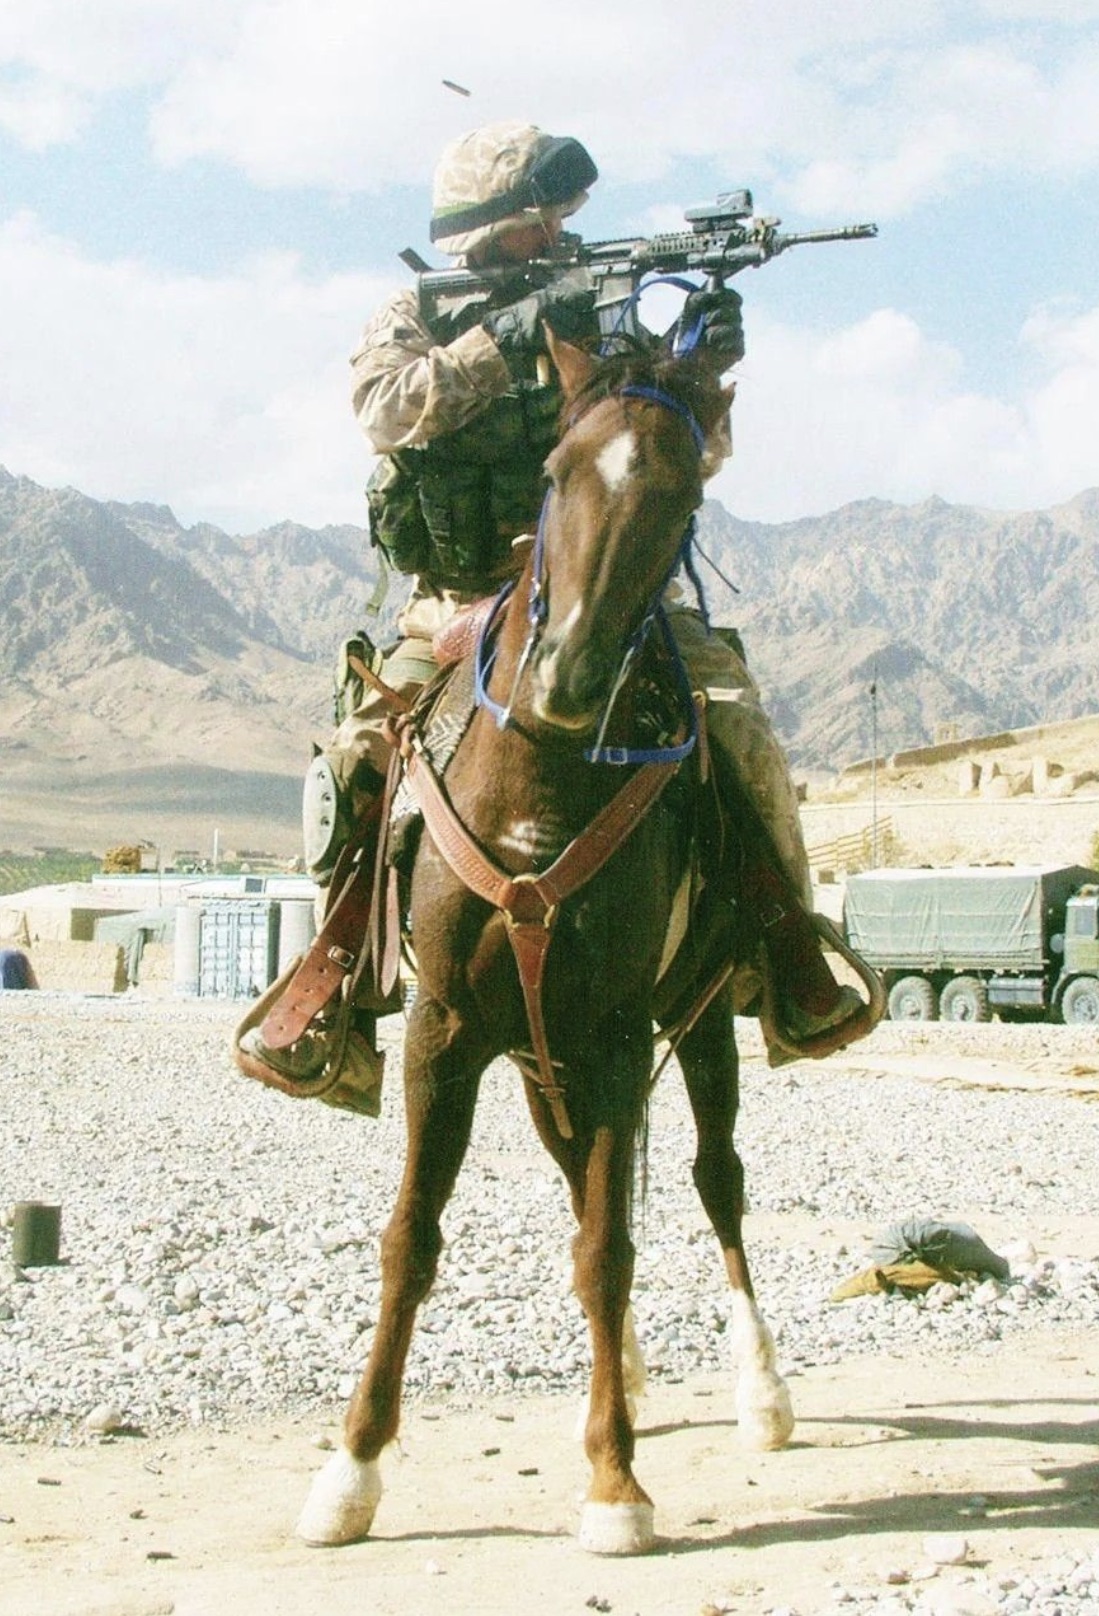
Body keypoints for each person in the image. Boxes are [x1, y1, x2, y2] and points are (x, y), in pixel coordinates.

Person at [238, 121, 864, 1108]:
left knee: (739, 726)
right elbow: (385, 410)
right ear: (490, 232)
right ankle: (338, 993)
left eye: (565, 222)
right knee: (356, 765)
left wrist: (700, 370)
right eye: (544, 224)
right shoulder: (415, 315)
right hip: (453, 602)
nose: (563, 238)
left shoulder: (604, 318)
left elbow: (680, 457)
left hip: (598, 597)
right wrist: (511, 334)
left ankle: (790, 960)